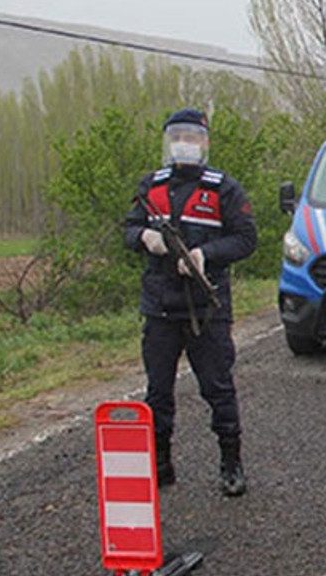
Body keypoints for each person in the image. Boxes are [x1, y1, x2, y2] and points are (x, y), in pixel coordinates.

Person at [124, 108, 258, 496]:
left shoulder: (223, 189)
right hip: (159, 306)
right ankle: (161, 462)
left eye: (192, 137)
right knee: (157, 392)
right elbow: (129, 228)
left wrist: (206, 255)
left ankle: (231, 462)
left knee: (218, 388)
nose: (184, 144)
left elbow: (246, 239)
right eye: (177, 136)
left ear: (204, 142)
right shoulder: (151, 185)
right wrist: (144, 239)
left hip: (207, 307)